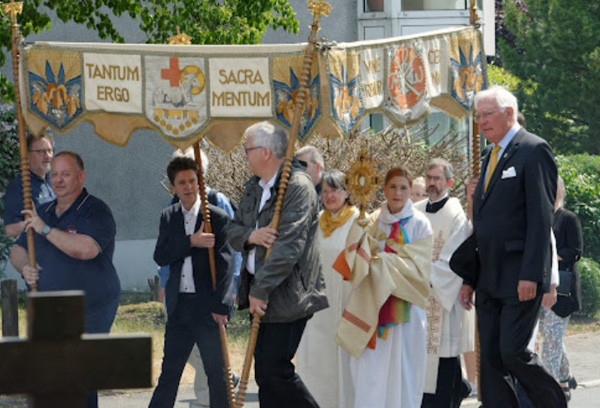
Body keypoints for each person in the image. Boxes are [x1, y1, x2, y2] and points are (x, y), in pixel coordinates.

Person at [458, 86, 566, 407]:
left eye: (487, 114)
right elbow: (483, 227)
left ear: (508, 113)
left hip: (520, 275)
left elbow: (540, 218)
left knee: (513, 352)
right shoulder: (488, 157)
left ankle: (553, 403)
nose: (481, 122)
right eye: (478, 116)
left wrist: (532, 274)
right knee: (490, 359)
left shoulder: (534, 150)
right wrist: (469, 278)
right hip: (489, 276)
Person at [227, 121, 328, 408]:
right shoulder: (253, 188)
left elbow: (289, 246)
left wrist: (261, 289)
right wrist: (251, 235)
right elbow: (232, 231)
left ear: (266, 152)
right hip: (261, 294)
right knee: (266, 376)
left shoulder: (296, 186)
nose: (245, 156)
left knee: (275, 370)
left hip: (286, 295)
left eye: (248, 150)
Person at [9, 151, 120, 408]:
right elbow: (18, 249)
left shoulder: (96, 210)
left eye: (65, 174)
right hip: (52, 307)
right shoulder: (44, 211)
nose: (58, 180)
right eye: (54, 174)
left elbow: (85, 249)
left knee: (79, 373)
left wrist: (45, 230)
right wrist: (25, 267)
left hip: (91, 307)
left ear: (81, 177)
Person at [335, 165, 432, 408]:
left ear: (411, 191)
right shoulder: (370, 220)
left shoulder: (420, 223)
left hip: (406, 309)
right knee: (370, 371)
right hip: (373, 307)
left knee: (405, 372)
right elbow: (356, 264)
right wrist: (360, 240)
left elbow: (420, 270)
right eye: (392, 187)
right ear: (383, 189)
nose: (397, 193)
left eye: (403, 187)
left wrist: (382, 261)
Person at [156, 148, 241, 408]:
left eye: (193, 181)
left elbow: (226, 265)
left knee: (217, 374)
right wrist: (191, 241)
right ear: (172, 187)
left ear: (200, 182)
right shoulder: (168, 217)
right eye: (182, 182)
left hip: (207, 308)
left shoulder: (216, 217)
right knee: (169, 373)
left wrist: (221, 306)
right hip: (180, 306)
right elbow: (161, 255)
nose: (188, 187)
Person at [296, 169, 359, 408]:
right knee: (316, 358)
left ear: (347, 192)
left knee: (341, 360)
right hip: (317, 304)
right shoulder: (316, 221)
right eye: (325, 191)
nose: (330, 195)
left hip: (345, 301)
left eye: (335, 190)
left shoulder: (358, 221)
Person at [414, 159, 471, 408]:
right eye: (428, 177)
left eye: (437, 178)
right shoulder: (414, 210)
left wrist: (422, 274)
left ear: (449, 182)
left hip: (441, 298)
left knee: (444, 359)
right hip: (416, 298)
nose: (432, 183)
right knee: (417, 358)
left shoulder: (457, 215)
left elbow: (454, 258)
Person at [540, 175, 583, 401]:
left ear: (559, 191)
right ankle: (566, 375)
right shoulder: (539, 217)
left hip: (561, 289)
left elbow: (575, 251)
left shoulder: (568, 218)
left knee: (551, 338)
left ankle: (549, 390)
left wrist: (551, 256)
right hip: (538, 286)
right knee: (550, 337)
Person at [3, 129, 55, 238]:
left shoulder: (53, 182)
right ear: (28, 155)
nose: (48, 156)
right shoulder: (19, 186)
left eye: (49, 151)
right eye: (41, 151)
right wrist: (41, 226)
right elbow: (10, 229)